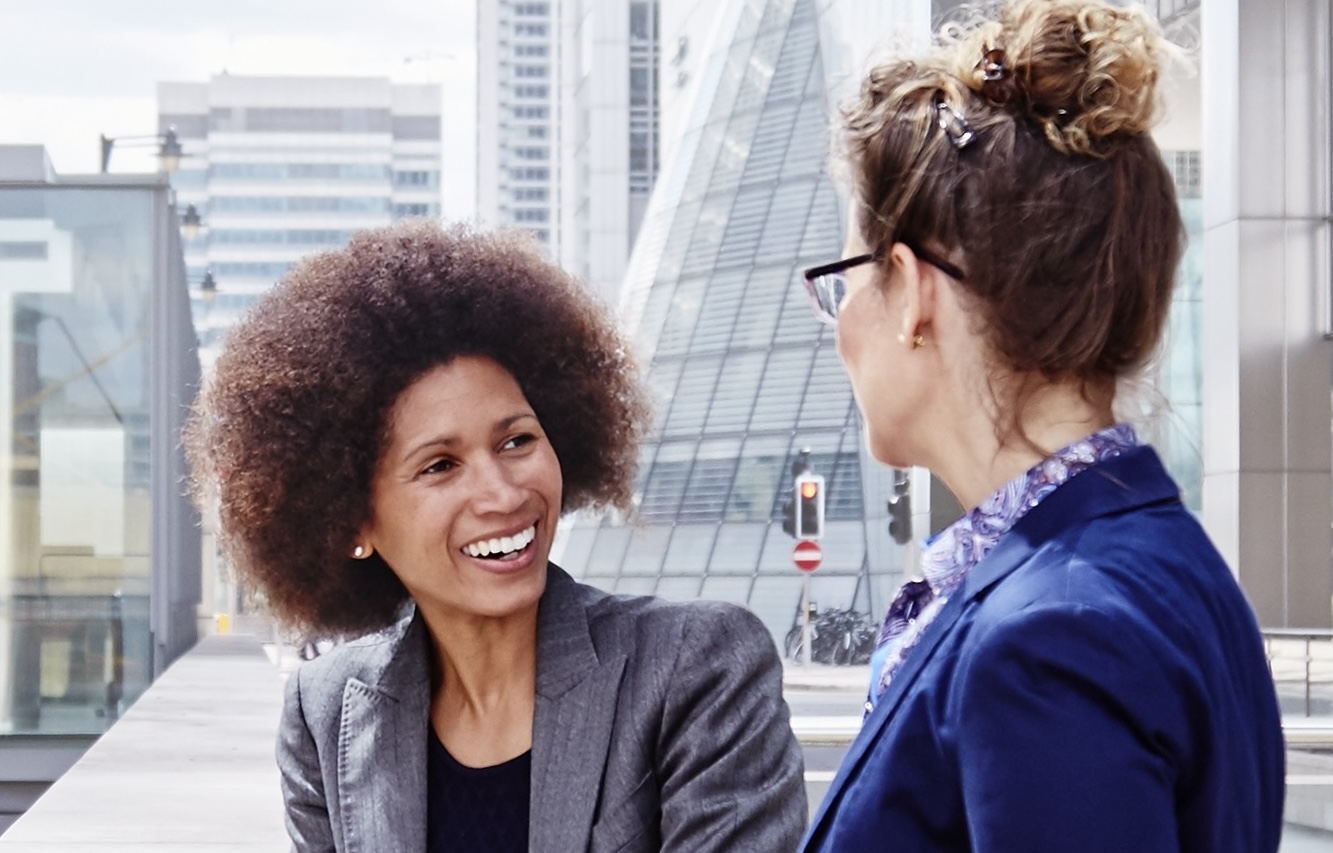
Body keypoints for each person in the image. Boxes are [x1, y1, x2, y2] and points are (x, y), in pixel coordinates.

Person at [797, 1, 1284, 850]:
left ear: (912, 292)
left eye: (848, 279)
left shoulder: (1045, 640)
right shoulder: (1166, 565)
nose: (839, 324)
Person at [185, 221, 806, 852]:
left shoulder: (697, 667)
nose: (505, 495)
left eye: (517, 441)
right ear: (352, 521)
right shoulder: (325, 714)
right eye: (440, 466)